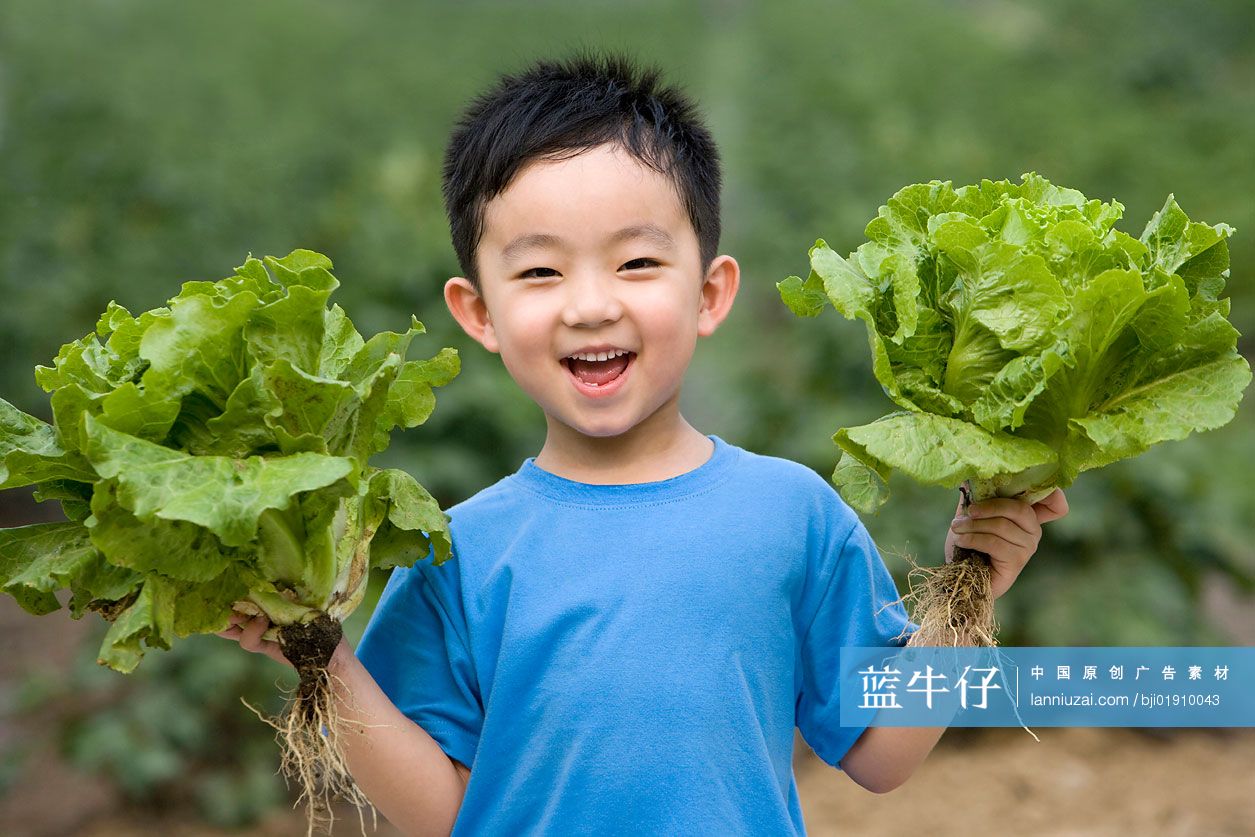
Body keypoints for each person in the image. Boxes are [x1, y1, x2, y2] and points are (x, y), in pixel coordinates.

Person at [217, 52, 1069, 835]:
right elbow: (442, 811)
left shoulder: (791, 513)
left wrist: (972, 584)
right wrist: (319, 651)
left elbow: (884, 753)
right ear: (478, 312)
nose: (590, 305)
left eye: (634, 264)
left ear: (709, 292)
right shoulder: (454, 549)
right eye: (540, 271)